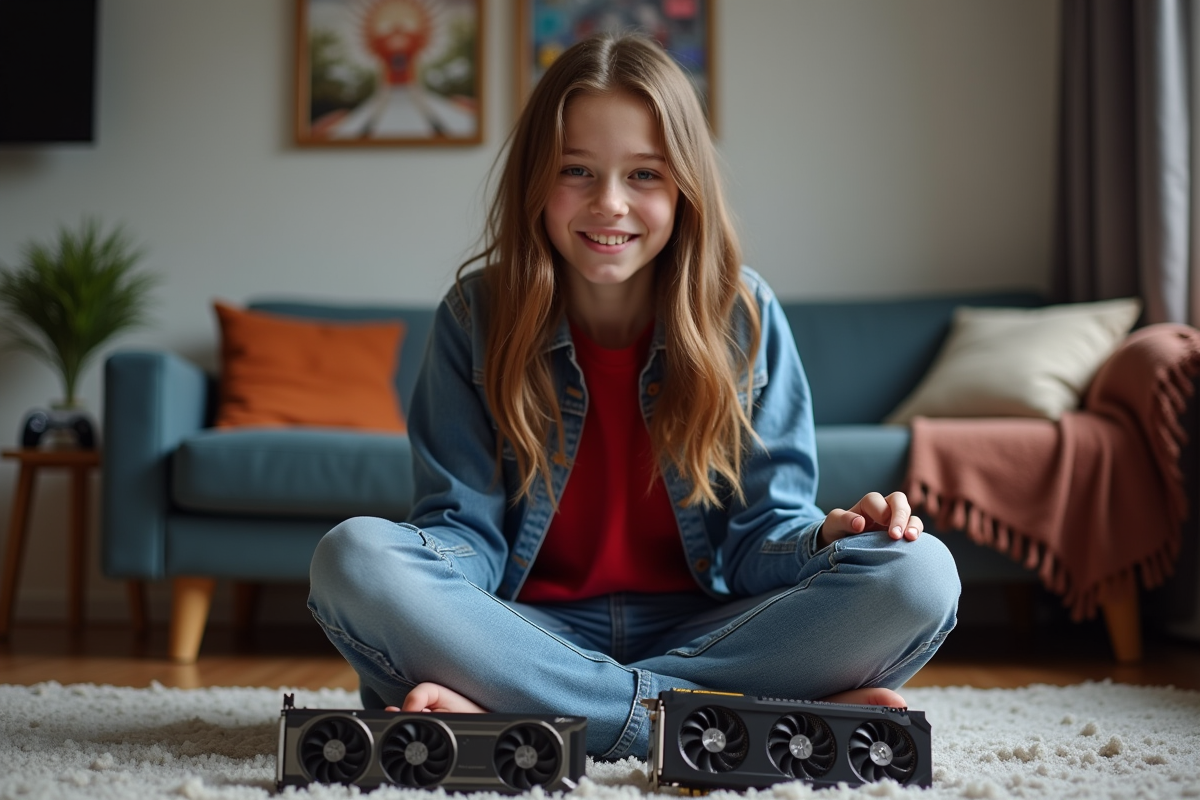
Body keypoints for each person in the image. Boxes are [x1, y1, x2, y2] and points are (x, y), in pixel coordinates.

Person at [308, 32, 960, 761]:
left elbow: (760, 534)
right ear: (534, 181)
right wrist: (414, 572)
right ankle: (718, 720)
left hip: (713, 630)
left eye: (644, 174)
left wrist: (828, 538)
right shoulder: (475, 314)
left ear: (685, 186)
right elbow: (465, 533)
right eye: (576, 170)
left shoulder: (741, 315)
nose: (609, 203)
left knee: (919, 574)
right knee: (355, 559)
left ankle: (530, 713)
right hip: (525, 633)